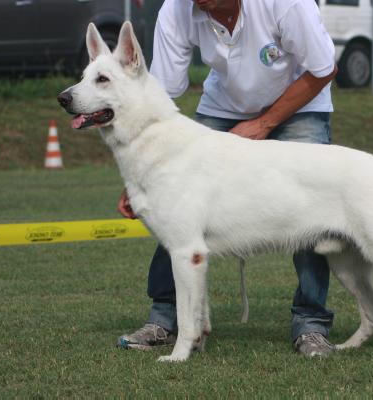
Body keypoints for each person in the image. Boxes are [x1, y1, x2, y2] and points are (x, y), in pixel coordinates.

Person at [116, 0, 338, 357]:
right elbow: (160, 93)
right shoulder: (176, 9)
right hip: (223, 106)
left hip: (301, 103)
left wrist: (264, 123)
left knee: (310, 208)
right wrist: (144, 175)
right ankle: (165, 319)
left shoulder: (286, 4)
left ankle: (311, 325)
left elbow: (324, 68)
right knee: (174, 206)